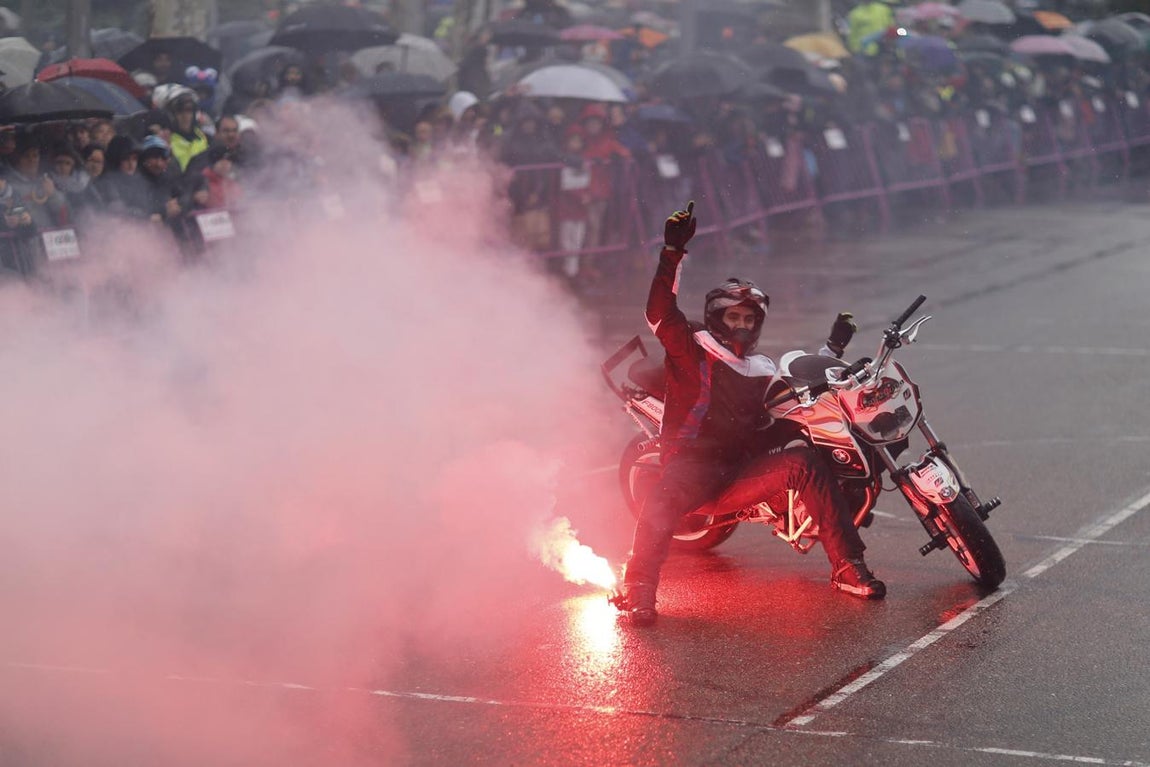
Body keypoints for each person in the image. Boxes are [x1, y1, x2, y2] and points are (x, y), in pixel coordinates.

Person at [615, 203, 885, 627]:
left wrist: (833, 351)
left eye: (748, 319)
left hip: (742, 472)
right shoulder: (691, 346)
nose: (741, 326)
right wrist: (672, 252)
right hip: (692, 466)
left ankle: (849, 569)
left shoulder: (761, 368)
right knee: (661, 501)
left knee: (807, 463)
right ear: (716, 319)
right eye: (733, 317)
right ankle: (637, 590)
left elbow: (796, 391)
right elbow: (659, 313)